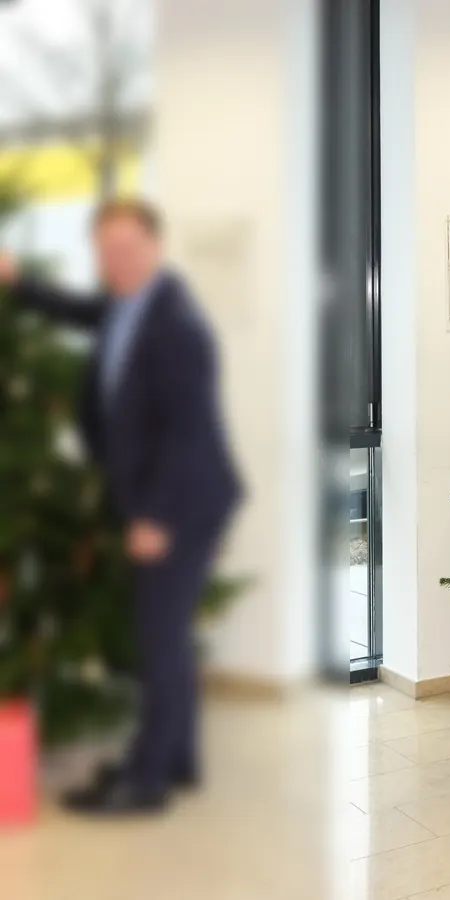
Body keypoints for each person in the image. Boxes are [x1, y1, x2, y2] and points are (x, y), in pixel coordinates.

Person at [0, 198, 241, 815]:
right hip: (176, 496)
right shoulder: (128, 304)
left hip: (177, 503)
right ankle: (180, 759)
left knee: (156, 638)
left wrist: (154, 518)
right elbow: (80, 311)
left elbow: (185, 431)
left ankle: (146, 780)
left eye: (128, 248)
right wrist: (19, 283)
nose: (116, 260)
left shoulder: (174, 325)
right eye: (106, 250)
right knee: (170, 635)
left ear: (155, 247)